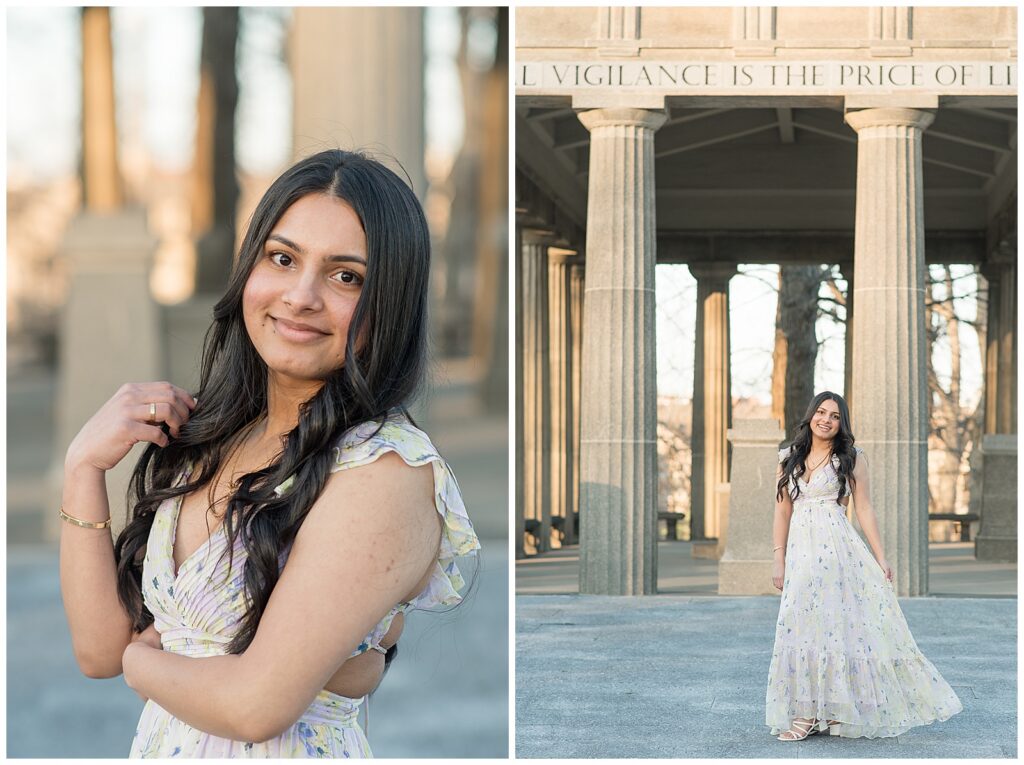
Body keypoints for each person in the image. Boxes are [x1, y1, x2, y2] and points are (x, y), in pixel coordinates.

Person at [58, 149, 480, 757]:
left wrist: (142, 663)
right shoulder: (212, 436)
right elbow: (98, 651)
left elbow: (254, 705)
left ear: (390, 303)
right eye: (282, 259)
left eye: (346, 276)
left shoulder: (383, 471)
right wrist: (84, 467)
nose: (301, 296)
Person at [765, 391, 962, 741]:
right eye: (821, 412)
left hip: (837, 550)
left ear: (842, 423)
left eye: (835, 416)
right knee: (801, 626)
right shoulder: (789, 458)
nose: (826, 420)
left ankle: (830, 710)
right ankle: (807, 710)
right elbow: (782, 511)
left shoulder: (850, 458)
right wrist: (778, 558)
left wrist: (881, 556)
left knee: (835, 627)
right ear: (811, 415)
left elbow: (865, 508)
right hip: (800, 554)